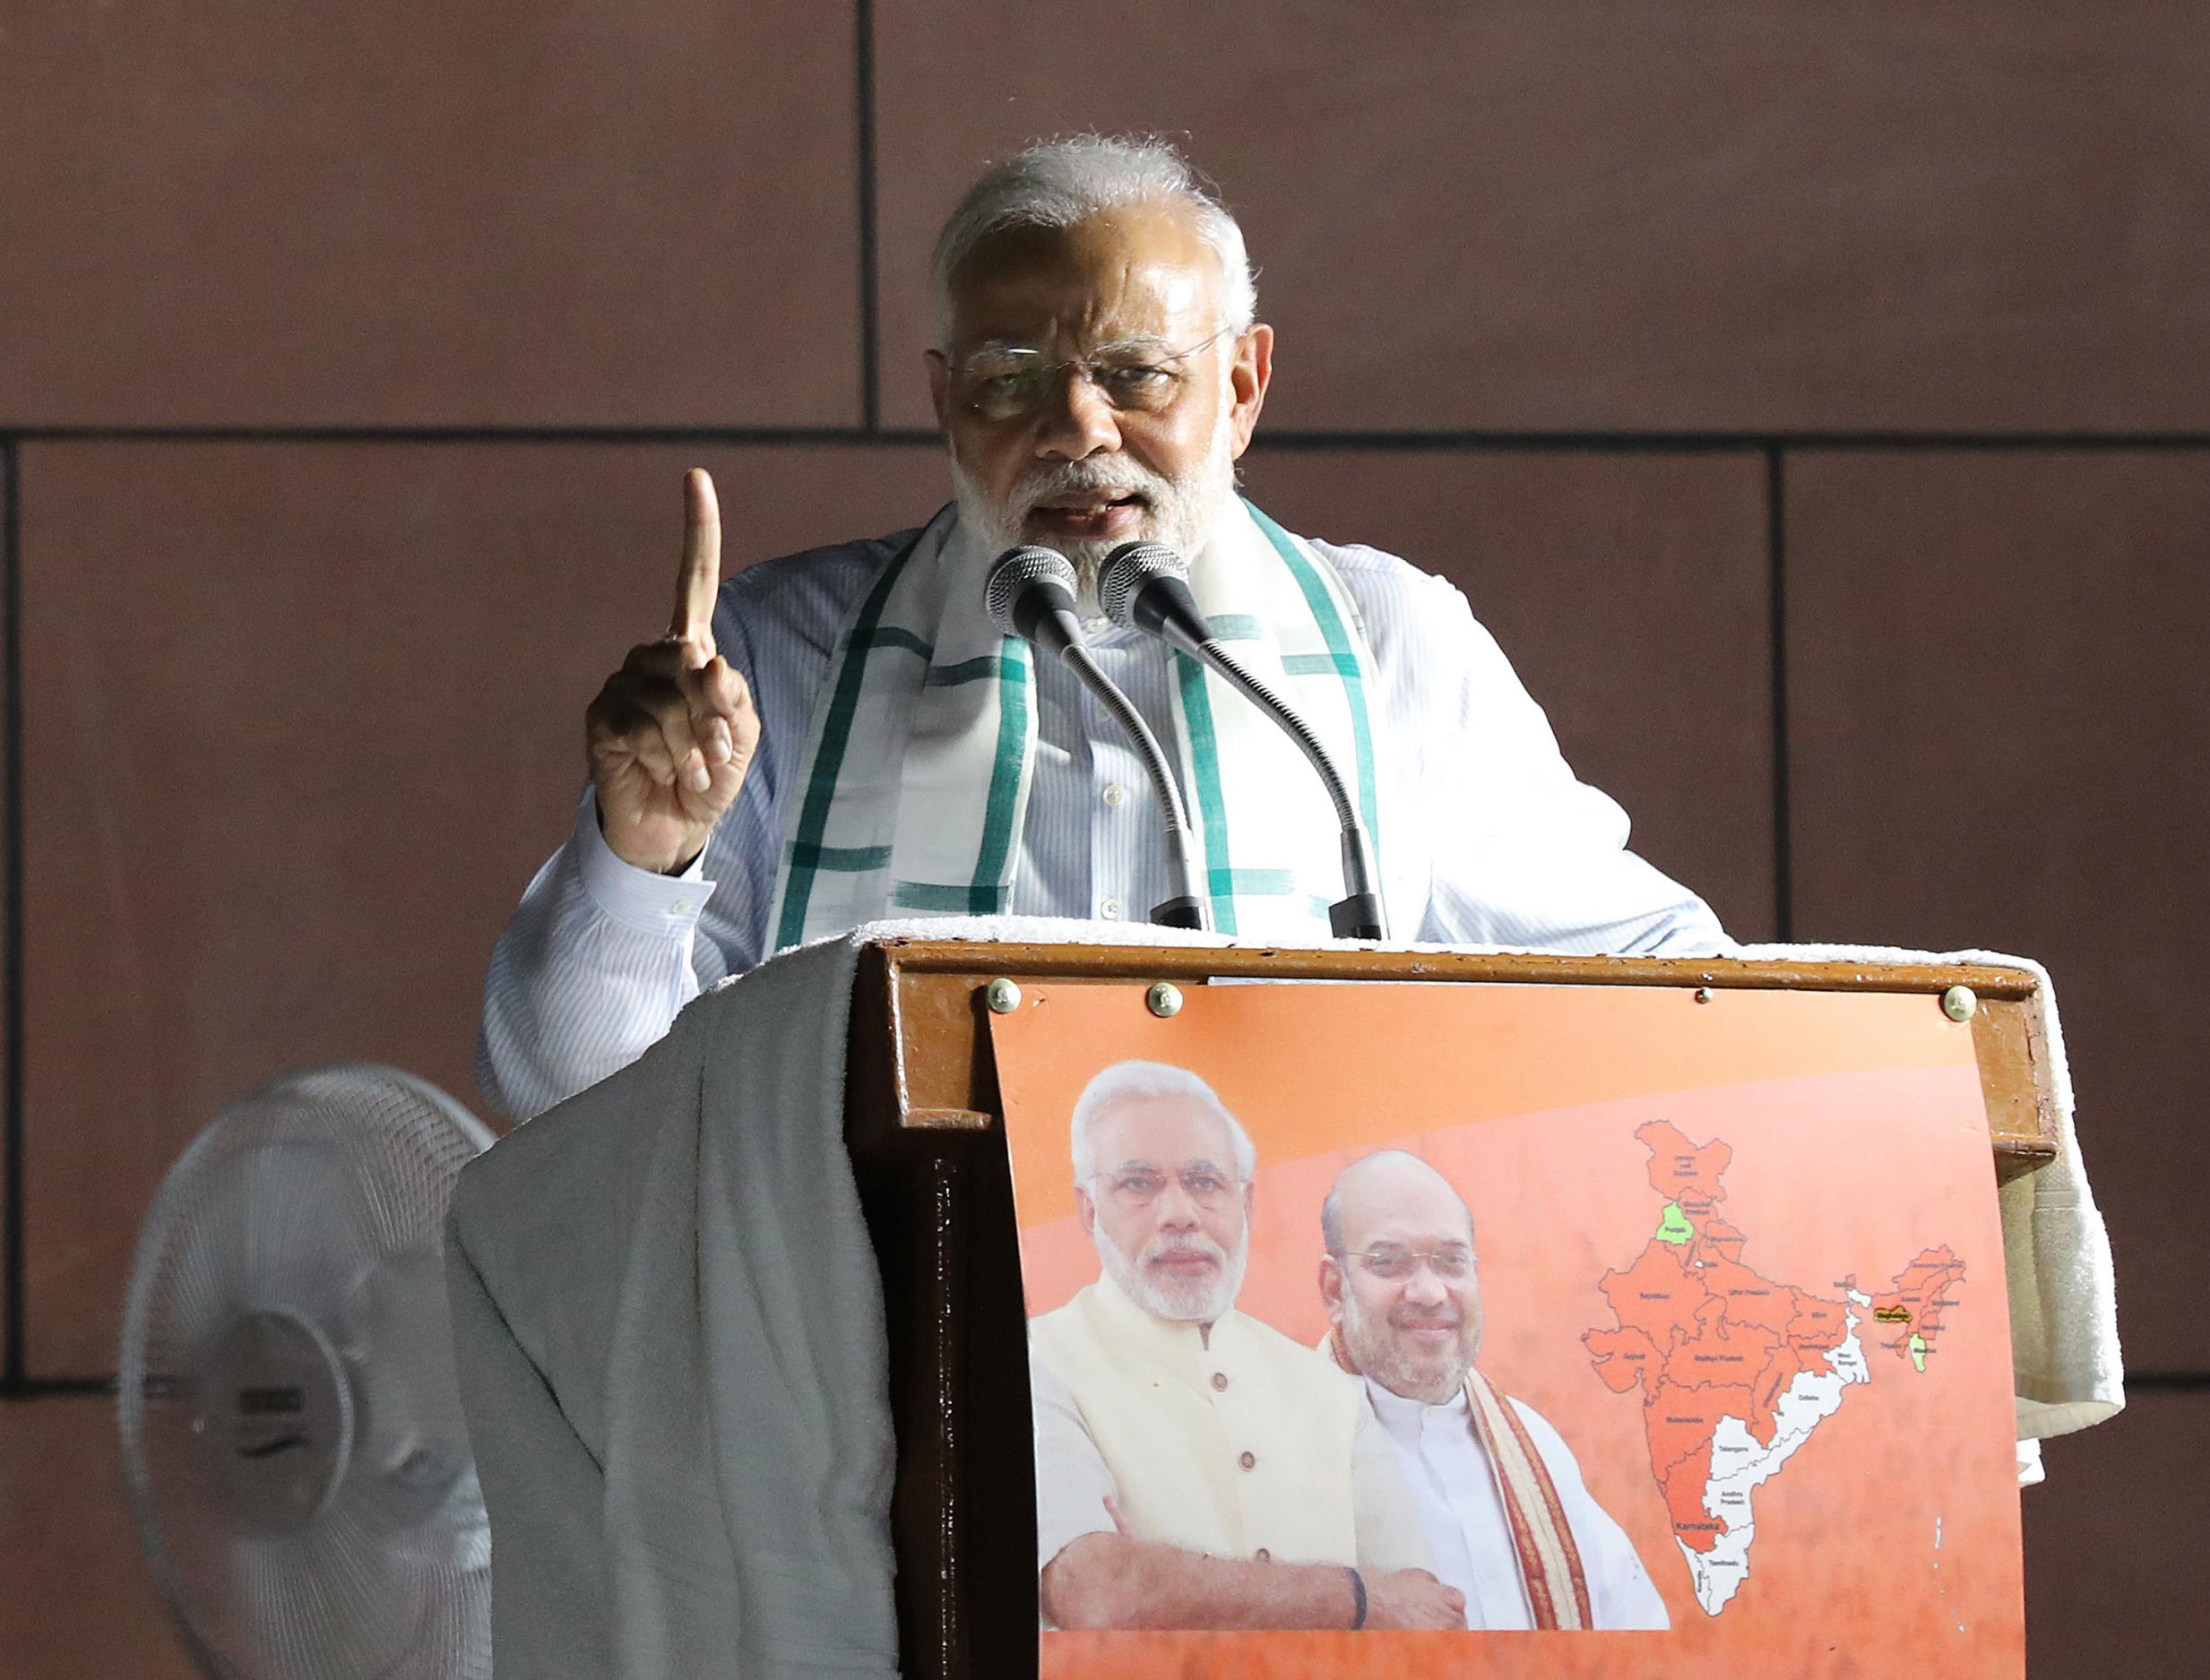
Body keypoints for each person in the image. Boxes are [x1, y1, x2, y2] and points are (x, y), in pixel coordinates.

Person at [478, 134, 1729, 1122]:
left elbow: (1658, 984)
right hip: (895, 1384)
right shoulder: (781, 657)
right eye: (1010, 379)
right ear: (945, 400)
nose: (1077, 428)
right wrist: (642, 860)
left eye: (1137, 373)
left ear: (1240, 387)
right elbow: (572, 1099)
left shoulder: (1388, 643)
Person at [1031, 1061, 1463, 1631]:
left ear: (1247, 1204)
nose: (1179, 1214)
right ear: (1088, 1211)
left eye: (1205, 1182)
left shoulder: (1328, 1393)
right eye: (1138, 1183)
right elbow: (1097, 1592)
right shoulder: (1037, 1362)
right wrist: (1360, 1599)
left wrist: (1165, 1578)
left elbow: (1427, 1613)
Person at [1318, 1150, 1670, 1630]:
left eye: (1451, 1261)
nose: (1429, 1292)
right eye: (1390, 1262)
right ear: (1334, 1290)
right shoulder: (1279, 1451)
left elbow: (1633, 1627)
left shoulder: (1534, 1446)